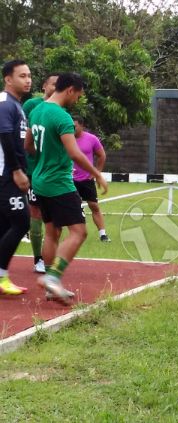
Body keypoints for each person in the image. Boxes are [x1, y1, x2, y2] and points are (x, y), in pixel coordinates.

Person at [25, 72, 109, 304]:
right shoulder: (62, 117)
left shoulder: (37, 110)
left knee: (52, 232)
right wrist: (97, 174)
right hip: (59, 183)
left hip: (40, 181)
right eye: (78, 95)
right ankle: (53, 277)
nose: (77, 100)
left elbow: (28, 145)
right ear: (70, 90)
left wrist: (45, 158)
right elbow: (74, 153)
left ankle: (51, 285)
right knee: (79, 231)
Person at [0, 60, 32, 296]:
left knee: (4, 225)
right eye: (22, 76)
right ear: (8, 79)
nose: (28, 79)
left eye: (29, 75)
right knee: (21, 221)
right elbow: (6, 138)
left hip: (9, 173)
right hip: (5, 175)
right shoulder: (4, 103)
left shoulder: (17, 106)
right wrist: (16, 171)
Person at [23, 72, 58, 273]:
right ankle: (38, 259)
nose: (55, 88)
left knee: (53, 218)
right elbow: (25, 141)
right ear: (44, 86)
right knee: (34, 211)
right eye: (53, 84)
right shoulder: (31, 106)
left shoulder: (61, 109)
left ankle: (50, 258)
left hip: (53, 172)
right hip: (34, 169)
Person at [72, 116, 110, 242]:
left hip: (86, 180)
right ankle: (72, 234)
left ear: (82, 126)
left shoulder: (91, 139)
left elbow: (101, 155)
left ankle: (103, 234)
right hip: (68, 180)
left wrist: (96, 172)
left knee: (94, 206)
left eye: (75, 126)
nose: (72, 128)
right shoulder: (66, 138)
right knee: (68, 208)